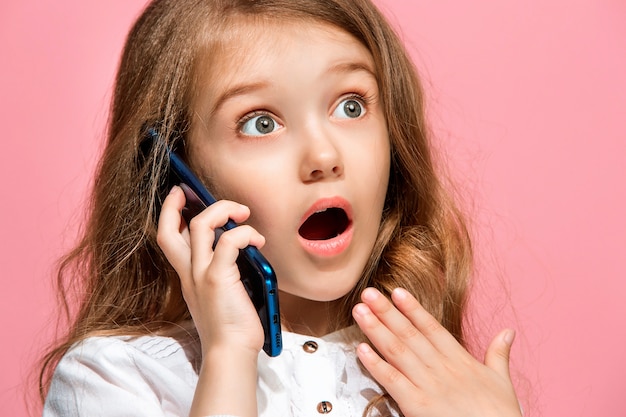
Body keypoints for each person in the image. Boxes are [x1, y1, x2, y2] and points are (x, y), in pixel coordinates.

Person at [39, 0, 522, 416]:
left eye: (351, 106)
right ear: (176, 175)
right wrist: (228, 355)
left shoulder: (436, 380)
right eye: (261, 123)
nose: (324, 157)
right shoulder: (114, 378)